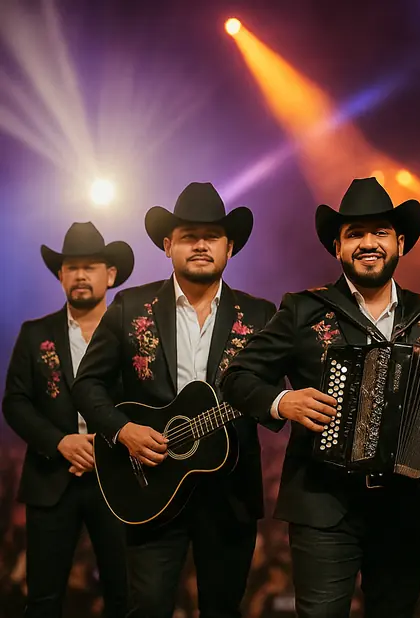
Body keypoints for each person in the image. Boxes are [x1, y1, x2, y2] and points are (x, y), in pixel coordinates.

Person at [220, 176, 420, 618]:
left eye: (380, 232)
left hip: (407, 508)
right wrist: (282, 402)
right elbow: (236, 376)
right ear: (338, 248)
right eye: (354, 234)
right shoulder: (303, 310)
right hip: (323, 503)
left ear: (400, 243)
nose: (368, 243)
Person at [73, 183, 277, 618]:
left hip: (230, 492)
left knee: (223, 609)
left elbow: (277, 393)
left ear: (229, 247)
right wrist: (122, 430)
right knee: (148, 607)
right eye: (189, 236)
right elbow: (86, 384)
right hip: (149, 486)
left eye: (212, 236)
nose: (201, 245)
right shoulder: (131, 306)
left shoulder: (261, 315)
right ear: (168, 246)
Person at [3, 222, 132, 617]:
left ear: (110, 274)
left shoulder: (135, 332)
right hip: (51, 478)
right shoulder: (34, 334)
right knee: (43, 599)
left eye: (90, 266)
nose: (80, 275)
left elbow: (148, 399)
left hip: (120, 479)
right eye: (71, 267)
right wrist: (60, 442)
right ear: (60, 275)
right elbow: (15, 403)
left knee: (126, 597)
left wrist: (107, 442)